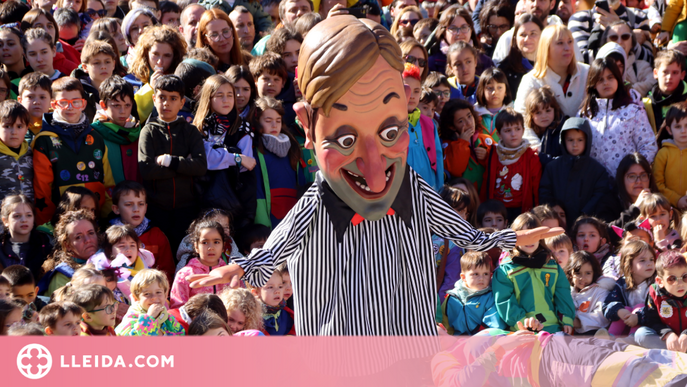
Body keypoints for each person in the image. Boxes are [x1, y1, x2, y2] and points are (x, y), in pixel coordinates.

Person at [188, 16, 560, 336]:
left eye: (389, 132)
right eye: (346, 139)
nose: (372, 164)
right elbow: (275, 249)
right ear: (306, 124)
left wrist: (512, 236)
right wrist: (239, 266)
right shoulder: (318, 202)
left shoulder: (412, 188)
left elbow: (466, 234)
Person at [32, 77, 114, 225]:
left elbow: (107, 183)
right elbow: (41, 190)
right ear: (53, 105)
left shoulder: (95, 137)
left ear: (83, 104)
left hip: (96, 220)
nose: (70, 107)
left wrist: (107, 217)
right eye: (63, 103)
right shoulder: (44, 141)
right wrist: (48, 226)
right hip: (60, 223)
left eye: (76, 102)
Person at [138, 75, 207, 252]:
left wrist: (171, 162)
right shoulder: (149, 131)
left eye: (173, 98)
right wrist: (184, 167)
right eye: (161, 97)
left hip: (188, 208)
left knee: (185, 254)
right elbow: (146, 169)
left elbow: (200, 166)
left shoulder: (190, 131)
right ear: (154, 99)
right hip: (156, 208)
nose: (166, 103)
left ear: (182, 102)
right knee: (160, 254)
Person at [492, 212, 575, 333]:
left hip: (553, 327)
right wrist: (522, 322)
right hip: (522, 329)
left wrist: (567, 318)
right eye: (525, 235)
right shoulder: (505, 270)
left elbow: (563, 294)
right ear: (515, 237)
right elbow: (505, 301)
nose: (530, 240)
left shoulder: (552, 266)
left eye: (534, 235)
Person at [193, 74, 257, 224]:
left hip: (234, 202)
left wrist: (221, 155)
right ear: (208, 98)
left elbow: (246, 166)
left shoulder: (242, 128)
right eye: (219, 95)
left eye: (230, 95)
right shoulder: (199, 128)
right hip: (200, 198)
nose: (226, 100)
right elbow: (205, 159)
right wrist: (235, 157)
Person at [580, 58, 657, 178]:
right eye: (600, 79)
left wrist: (633, 174)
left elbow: (648, 145)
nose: (606, 82)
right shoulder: (584, 115)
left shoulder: (633, 111)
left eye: (610, 77)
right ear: (593, 84)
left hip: (627, 185)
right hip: (594, 187)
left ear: (618, 79)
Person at [539, 117, 610, 225]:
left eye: (580, 140)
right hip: (556, 223)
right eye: (570, 140)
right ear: (563, 140)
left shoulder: (597, 170)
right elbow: (544, 191)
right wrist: (554, 207)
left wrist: (585, 213)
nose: (575, 144)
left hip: (586, 225)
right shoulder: (552, 167)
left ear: (587, 140)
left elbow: (600, 195)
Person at [515, 25, 589, 119]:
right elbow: (521, 119)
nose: (567, 48)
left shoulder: (587, 73)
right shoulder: (531, 80)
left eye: (570, 42)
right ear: (546, 48)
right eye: (560, 43)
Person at [109, 181, 175, 285]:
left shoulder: (157, 235)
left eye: (141, 204)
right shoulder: (108, 236)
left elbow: (167, 271)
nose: (136, 209)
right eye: (129, 204)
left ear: (146, 208)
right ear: (116, 209)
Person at [481, 108, 541, 222]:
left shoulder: (531, 156)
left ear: (523, 131)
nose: (513, 134)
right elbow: (486, 182)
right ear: (499, 134)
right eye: (508, 130)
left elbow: (536, 187)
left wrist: (536, 214)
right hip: (497, 212)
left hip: (522, 211)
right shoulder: (493, 154)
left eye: (517, 129)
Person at [252, 96, 303, 229]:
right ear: (257, 122)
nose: (274, 125)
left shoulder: (293, 147)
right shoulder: (255, 150)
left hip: (294, 213)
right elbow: (258, 191)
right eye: (268, 121)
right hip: (270, 217)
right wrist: (262, 224)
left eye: (278, 121)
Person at [129, 25, 187, 124]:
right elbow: (131, 118)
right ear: (146, 53)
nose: (160, 62)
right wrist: (150, 89)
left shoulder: (183, 80)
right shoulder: (131, 80)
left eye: (167, 56)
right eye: (155, 54)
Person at [439, 250, 506, 335]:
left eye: (485, 274)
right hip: (457, 340)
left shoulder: (491, 296)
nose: (481, 278)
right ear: (463, 277)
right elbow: (445, 323)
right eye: (476, 274)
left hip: (484, 339)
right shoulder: (451, 298)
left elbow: (493, 323)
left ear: (491, 275)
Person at [568, 0, 652, 64]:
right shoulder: (580, 19)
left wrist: (622, 28)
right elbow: (581, 59)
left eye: (625, 36)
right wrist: (624, 35)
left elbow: (649, 60)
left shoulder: (638, 16)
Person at [38, 210, 100, 297]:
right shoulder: (63, 276)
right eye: (78, 237)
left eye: (91, 233)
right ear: (67, 245)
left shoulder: (110, 263)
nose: (88, 240)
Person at [170, 221, 231, 309]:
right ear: (196, 246)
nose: (211, 247)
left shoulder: (230, 273)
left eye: (216, 242)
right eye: (205, 242)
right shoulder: (185, 274)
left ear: (223, 246)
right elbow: (177, 307)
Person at [92, 75, 141, 184]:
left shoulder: (137, 131)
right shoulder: (94, 134)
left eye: (127, 105)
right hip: (109, 198)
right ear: (103, 105)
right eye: (116, 105)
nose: (123, 111)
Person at [403, 63, 443, 192]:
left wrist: (439, 189)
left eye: (416, 90)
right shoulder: (389, 124)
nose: (413, 96)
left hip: (428, 189)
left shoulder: (428, 124)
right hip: (402, 191)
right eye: (407, 89)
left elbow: (437, 156)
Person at [87, 224, 155, 299]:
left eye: (132, 245)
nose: (128, 249)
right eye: (121, 246)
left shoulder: (147, 271)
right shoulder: (103, 273)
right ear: (109, 250)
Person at [603, 239, 655, 336]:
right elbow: (607, 304)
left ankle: (632, 337)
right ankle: (611, 336)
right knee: (623, 308)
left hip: (646, 329)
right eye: (642, 260)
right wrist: (619, 311)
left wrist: (638, 317)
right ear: (629, 266)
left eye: (651, 259)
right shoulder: (622, 284)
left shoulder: (656, 284)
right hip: (626, 326)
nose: (649, 263)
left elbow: (656, 310)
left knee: (639, 307)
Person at [439, 99, 494, 190]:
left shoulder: (485, 139)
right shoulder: (447, 145)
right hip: (464, 197)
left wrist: (487, 156)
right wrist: (462, 143)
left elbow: (499, 163)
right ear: (451, 126)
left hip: (485, 195)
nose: (469, 123)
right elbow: (456, 170)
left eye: (469, 116)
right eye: (461, 121)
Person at [637, 250, 687, 350]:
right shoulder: (654, 294)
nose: (680, 283)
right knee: (641, 334)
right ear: (660, 281)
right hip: (667, 340)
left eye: (685, 276)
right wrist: (668, 334)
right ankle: (674, 351)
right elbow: (652, 320)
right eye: (672, 279)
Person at [425, 5, 493, 76]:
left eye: (464, 27)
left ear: (471, 30)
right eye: (453, 28)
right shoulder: (432, 63)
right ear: (444, 32)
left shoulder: (484, 61)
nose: (459, 33)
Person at [115, 268, 185, 336]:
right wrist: (149, 318)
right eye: (147, 294)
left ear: (165, 295)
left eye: (158, 292)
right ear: (136, 298)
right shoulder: (132, 317)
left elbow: (181, 334)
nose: (154, 297)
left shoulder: (168, 318)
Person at [0, 195, 52, 281]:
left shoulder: (45, 246)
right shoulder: (2, 248)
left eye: (29, 215)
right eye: (17, 216)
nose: (24, 220)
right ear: (5, 221)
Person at [600, 21, 655, 97]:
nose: (619, 42)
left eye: (625, 36)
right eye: (614, 37)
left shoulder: (641, 66)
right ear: (605, 41)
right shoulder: (597, 67)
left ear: (632, 42)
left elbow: (652, 81)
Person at [566, 251, 614, 335]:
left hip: (593, 332)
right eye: (578, 273)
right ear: (570, 274)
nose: (582, 278)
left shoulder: (600, 291)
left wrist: (579, 322)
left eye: (588, 273)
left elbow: (601, 317)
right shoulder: (567, 292)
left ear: (594, 273)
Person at [497, 14, 543, 98]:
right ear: (515, 38)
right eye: (523, 35)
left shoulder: (552, 65)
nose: (527, 39)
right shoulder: (504, 70)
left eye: (533, 33)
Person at [643, 50, 687, 134]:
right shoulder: (647, 103)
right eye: (665, 72)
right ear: (656, 73)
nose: (669, 77)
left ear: (682, 75)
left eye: (675, 72)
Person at [522, 86, 567, 167]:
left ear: (555, 110)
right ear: (531, 115)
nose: (544, 116)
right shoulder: (527, 133)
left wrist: (540, 156)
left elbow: (564, 161)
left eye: (548, 110)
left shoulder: (562, 131)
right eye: (538, 112)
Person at [654, 103, 687, 210]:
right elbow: (657, 183)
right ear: (669, 130)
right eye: (678, 126)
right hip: (669, 209)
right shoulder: (663, 153)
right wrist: (676, 200)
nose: (683, 131)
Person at [77, 39, 118, 122]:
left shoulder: (122, 90)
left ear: (113, 64)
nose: (103, 66)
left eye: (107, 62)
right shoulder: (79, 93)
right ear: (85, 67)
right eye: (97, 63)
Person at [0, 101, 32, 200]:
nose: (14, 132)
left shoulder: (31, 152)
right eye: (7, 126)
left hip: (29, 213)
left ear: (27, 128)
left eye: (19, 126)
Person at [248, 268, 295, 335]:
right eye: (270, 287)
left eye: (280, 286)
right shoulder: (251, 320)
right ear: (255, 293)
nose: (277, 291)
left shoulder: (287, 314)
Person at [473, 67, 512, 143]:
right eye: (490, 88)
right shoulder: (474, 113)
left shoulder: (512, 114)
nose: (495, 92)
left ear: (506, 91)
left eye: (499, 87)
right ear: (482, 91)